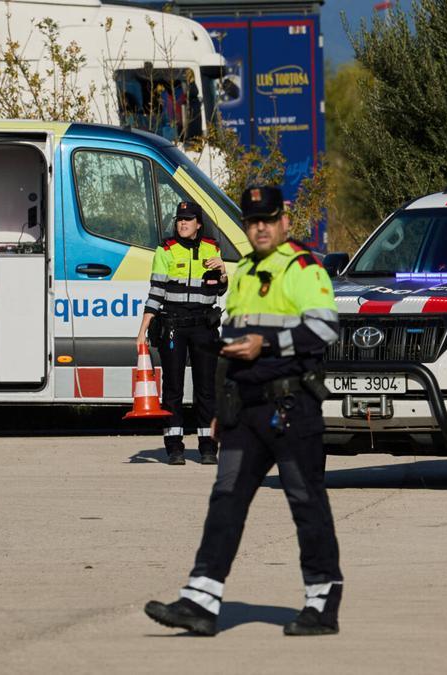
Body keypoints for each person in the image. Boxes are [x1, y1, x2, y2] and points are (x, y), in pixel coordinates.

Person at [144, 186, 344, 637]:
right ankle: (200, 599)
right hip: (245, 412)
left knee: (305, 503)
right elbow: (230, 345)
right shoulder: (247, 271)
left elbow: (326, 328)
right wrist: (220, 406)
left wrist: (269, 344)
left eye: (268, 220)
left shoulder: (302, 267)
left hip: (292, 407)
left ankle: (322, 602)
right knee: (225, 500)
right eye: (253, 221)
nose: (260, 228)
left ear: (285, 221)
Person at [136, 199, 227, 465]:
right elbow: (155, 293)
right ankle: (174, 445)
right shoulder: (165, 250)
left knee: (206, 388)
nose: (182, 223)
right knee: (173, 388)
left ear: (199, 224)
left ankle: (208, 446)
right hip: (173, 325)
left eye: (188, 219)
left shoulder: (213, 248)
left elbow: (219, 289)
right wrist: (142, 330)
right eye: (179, 219)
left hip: (203, 326)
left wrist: (222, 272)